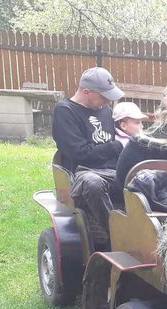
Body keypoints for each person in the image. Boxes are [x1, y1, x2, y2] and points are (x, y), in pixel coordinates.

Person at [52, 67, 124, 248]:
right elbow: (79, 153)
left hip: (113, 171)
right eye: (104, 96)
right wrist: (114, 147)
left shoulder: (105, 110)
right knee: (93, 183)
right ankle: (117, 236)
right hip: (83, 172)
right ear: (86, 92)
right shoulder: (65, 111)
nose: (108, 101)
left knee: (146, 178)